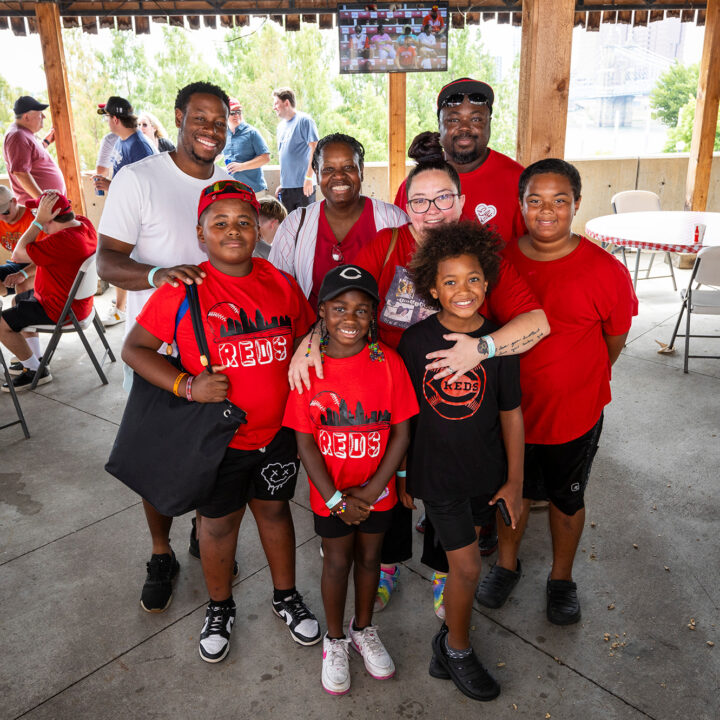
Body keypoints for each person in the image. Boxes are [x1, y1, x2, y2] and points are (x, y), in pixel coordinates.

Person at [123, 179, 320, 663]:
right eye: (221, 223)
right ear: (201, 233)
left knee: (275, 512)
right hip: (218, 438)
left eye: (244, 223)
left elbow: (310, 333)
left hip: (276, 434)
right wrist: (186, 386)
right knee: (216, 525)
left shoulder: (281, 283)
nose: (233, 231)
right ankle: (219, 606)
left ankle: (286, 595)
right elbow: (135, 349)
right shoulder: (184, 288)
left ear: (258, 231)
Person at [348, 159, 547, 618]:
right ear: (406, 207)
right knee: (391, 486)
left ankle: (444, 571)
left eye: (443, 198)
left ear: (461, 202)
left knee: (448, 485)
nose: (432, 209)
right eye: (419, 200)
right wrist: (311, 345)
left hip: (453, 399)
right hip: (389, 389)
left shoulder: (479, 256)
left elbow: (537, 322)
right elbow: (344, 299)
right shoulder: (387, 244)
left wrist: (481, 349)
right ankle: (386, 565)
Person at [475, 159, 638, 624]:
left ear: (576, 205)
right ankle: (507, 566)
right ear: (520, 204)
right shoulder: (497, 263)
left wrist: (582, 378)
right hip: (510, 413)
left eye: (559, 201)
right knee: (512, 493)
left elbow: (615, 338)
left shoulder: (605, 270)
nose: (547, 211)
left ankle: (561, 578)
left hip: (574, 415)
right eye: (535, 201)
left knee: (568, 498)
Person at [97, 81, 233, 614]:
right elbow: (107, 263)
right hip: (155, 347)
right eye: (200, 118)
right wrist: (158, 274)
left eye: (220, 122)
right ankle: (161, 552)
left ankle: (205, 532)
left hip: (217, 350)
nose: (210, 130)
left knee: (210, 454)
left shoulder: (225, 183)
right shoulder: (139, 178)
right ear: (178, 118)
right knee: (157, 460)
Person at [397, 222, 523, 702]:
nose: (463, 290)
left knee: (465, 563)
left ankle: (443, 644)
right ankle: (458, 648)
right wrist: (406, 472)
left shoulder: (500, 341)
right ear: (432, 288)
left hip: (485, 475)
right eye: (450, 282)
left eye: (472, 279)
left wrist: (514, 479)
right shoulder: (414, 342)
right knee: (467, 569)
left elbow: (511, 413)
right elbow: (407, 415)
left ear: (487, 282)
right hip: (438, 475)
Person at [284, 264, 418, 695]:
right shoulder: (309, 370)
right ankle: (336, 639)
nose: (350, 318)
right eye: (340, 307)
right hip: (332, 496)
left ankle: (364, 630)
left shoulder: (389, 364)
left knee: (370, 561)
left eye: (362, 310)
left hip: (375, 492)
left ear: (374, 315)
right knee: (337, 562)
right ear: (322, 311)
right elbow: (306, 444)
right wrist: (337, 498)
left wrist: (376, 489)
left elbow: (402, 433)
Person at [269, 133, 408, 310]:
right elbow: (276, 289)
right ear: (317, 174)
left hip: (380, 336)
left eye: (349, 167)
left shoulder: (394, 220)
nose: (339, 176)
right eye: (328, 169)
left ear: (361, 171)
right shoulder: (295, 224)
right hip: (312, 335)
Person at [395, 78, 526, 245]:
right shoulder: (416, 185)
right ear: (439, 125)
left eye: (476, 119)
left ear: (489, 123)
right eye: (454, 120)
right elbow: (400, 248)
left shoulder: (519, 180)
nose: (465, 127)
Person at [0, 191, 96, 391]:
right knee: (18, 301)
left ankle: (36, 371)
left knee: (1, 325)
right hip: (72, 303)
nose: (37, 216)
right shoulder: (83, 224)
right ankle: (36, 358)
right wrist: (24, 276)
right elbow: (47, 258)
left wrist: (37, 222)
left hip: (58, 309)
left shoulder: (62, 241)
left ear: (51, 216)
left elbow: (18, 254)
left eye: (40, 213)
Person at [95, 96, 156, 327]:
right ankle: (121, 307)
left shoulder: (139, 146)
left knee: (127, 262)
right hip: (126, 211)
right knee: (121, 260)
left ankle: (130, 311)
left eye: (108, 118)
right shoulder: (121, 140)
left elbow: (148, 187)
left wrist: (110, 187)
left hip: (138, 216)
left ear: (115, 119)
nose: (108, 123)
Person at [3, 96, 65, 203]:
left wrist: (46, 142)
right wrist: (44, 202)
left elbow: (31, 155)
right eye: (40, 114)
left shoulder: (23, 133)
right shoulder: (18, 136)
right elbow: (20, 173)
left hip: (45, 208)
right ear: (26, 117)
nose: (44, 117)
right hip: (39, 209)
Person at [272, 88, 319, 212]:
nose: (274, 107)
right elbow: (286, 157)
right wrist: (284, 183)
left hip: (304, 186)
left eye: (276, 103)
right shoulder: (280, 127)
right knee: (289, 226)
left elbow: (315, 149)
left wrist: (309, 178)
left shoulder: (305, 121)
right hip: (287, 188)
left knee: (306, 224)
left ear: (286, 103)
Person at [222, 98, 270, 196]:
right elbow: (218, 154)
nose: (237, 115)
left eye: (239, 112)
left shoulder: (252, 132)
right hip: (233, 191)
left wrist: (241, 166)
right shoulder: (223, 134)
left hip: (254, 191)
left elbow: (266, 158)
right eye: (233, 112)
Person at [0, 186, 35, 299]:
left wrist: (23, 274)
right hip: (17, 264)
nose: (2, 218)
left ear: (14, 201)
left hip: (40, 265)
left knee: (22, 288)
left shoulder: (34, 218)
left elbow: (50, 258)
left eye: (5, 212)